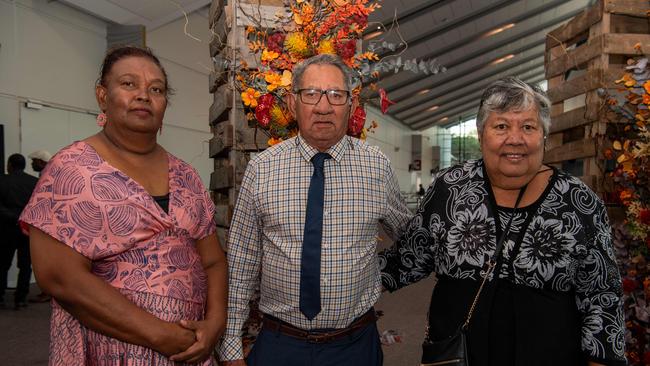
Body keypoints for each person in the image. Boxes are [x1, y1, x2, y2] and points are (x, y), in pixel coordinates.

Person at [379, 77, 627, 366]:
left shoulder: (577, 201)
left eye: (528, 127)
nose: (515, 139)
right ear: (482, 134)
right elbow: (409, 258)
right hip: (458, 355)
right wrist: (341, 277)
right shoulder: (451, 189)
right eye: (501, 126)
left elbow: (602, 295)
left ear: (543, 135)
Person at [19, 45, 227, 365]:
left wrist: (214, 324)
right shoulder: (71, 169)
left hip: (189, 349)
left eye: (156, 89)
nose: (144, 95)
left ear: (164, 105)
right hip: (115, 348)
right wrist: (160, 334)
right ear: (103, 96)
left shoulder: (186, 175)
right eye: (129, 84)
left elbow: (212, 261)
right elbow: (59, 277)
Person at [219, 54, 412, 366]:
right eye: (311, 94)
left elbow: (408, 234)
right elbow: (242, 262)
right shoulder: (262, 169)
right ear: (293, 104)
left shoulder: (377, 167)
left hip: (354, 346)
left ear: (351, 104)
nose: (324, 107)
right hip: (281, 344)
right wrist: (230, 345)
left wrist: (377, 276)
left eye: (336, 95)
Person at [0, 154, 38, 309]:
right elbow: (38, 207)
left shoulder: (2, 180)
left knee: (2, 264)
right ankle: (21, 298)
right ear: (24, 166)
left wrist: (13, 216)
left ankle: (0, 297)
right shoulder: (34, 182)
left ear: (9, 165)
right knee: (25, 265)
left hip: (6, 228)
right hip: (27, 230)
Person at [26, 149, 53, 303]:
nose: (32, 164)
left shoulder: (47, 174)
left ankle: (48, 292)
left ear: (41, 162)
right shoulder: (46, 173)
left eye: (34, 161)